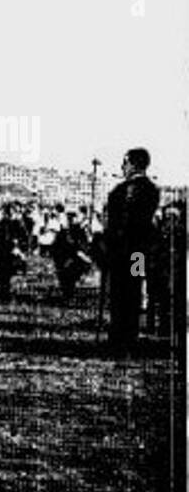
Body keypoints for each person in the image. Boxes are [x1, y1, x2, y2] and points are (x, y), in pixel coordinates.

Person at [103, 147, 160, 348]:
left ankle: (119, 335)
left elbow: (115, 223)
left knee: (119, 290)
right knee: (134, 290)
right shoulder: (152, 190)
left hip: (121, 251)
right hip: (139, 252)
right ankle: (130, 334)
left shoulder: (121, 190)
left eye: (125, 162)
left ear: (133, 164)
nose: (122, 166)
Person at [50, 208, 92, 300]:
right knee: (65, 277)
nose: (70, 219)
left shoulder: (79, 231)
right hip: (64, 259)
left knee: (71, 274)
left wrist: (79, 253)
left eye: (73, 217)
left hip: (75, 259)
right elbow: (56, 247)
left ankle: (69, 291)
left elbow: (83, 246)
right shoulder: (63, 232)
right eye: (69, 217)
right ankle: (67, 292)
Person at [0, 202, 29, 301]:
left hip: (14, 252)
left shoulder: (18, 224)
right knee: (2, 275)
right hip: (2, 252)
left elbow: (25, 238)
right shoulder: (0, 224)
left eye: (12, 212)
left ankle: (11, 293)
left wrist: (20, 249)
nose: (9, 215)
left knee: (12, 273)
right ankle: (3, 293)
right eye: (8, 212)